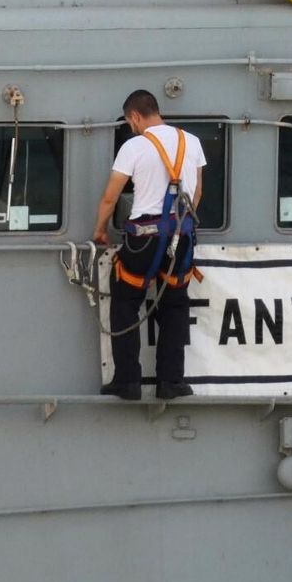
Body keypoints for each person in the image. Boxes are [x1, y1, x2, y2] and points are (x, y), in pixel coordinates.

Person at [93, 89, 206, 401]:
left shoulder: (135, 146)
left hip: (143, 238)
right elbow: (196, 195)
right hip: (181, 237)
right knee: (175, 305)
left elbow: (110, 197)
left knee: (126, 302)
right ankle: (171, 382)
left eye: (131, 123)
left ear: (134, 116)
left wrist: (100, 230)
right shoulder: (191, 142)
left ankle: (128, 381)